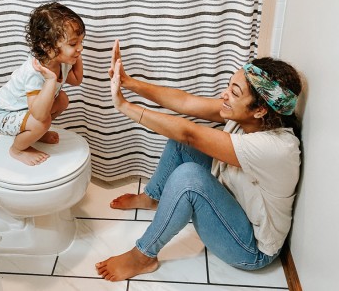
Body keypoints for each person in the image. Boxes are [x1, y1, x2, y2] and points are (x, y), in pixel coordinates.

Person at [95, 39, 302, 281]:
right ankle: (152, 199)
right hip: (233, 202)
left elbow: (189, 133)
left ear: (260, 110)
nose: (224, 95)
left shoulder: (276, 148)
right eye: (229, 86)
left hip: (251, 248)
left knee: (189, 177)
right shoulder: (249, 118)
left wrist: (123, 105)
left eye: (234, 93)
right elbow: (185, 102)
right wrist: (129, 82)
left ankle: (143, 256)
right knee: (180, 144)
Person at [0, 2, 85, 166]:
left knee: (62, 99)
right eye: (74, 44)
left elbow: (76, 80)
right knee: (42, 121)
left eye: (82, 42)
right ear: (48, 47)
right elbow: (39, 115)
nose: (80, 48)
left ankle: (36, 133)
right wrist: (50, 80)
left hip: (26, 111)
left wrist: (77, 56)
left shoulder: (62, 61)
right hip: (4, 115)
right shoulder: (35, 72)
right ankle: (17, 149)